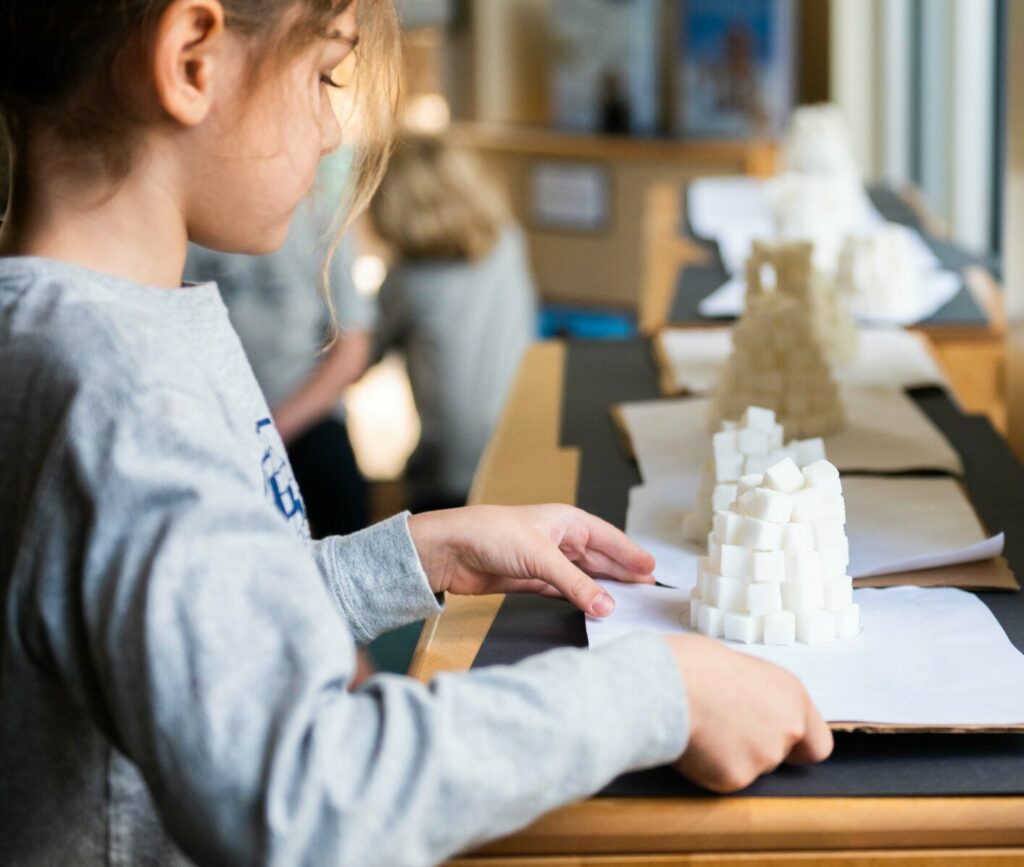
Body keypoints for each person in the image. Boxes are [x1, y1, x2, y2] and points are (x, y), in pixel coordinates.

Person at [0, 2, 833, 866]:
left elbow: (186, 631)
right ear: (191, 62)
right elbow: (300, 795)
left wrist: (415, 554)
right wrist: (665, 689)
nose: (330, 131)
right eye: (324, 76)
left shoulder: (81, 331)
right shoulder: (129, 391)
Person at [186, 158, 371, 537]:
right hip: (213, 428)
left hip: (307, 422)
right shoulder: (190, 219)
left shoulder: (323, 220)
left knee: (348, 525)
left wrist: (277, 426)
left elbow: (353, 347)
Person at [369, 135, 538, 511]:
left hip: (449, 468)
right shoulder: (508, 241)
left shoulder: (407, 281)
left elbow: (365, 352)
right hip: (519, 440)